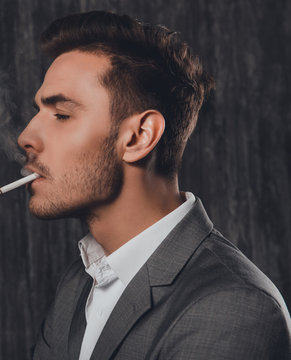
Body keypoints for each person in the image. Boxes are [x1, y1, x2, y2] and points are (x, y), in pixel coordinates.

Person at [16, 10, 291, 360]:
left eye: (61, 115)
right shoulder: (79, 281)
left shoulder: (232, 308)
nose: (26, 136)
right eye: (38, 111)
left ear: (138, 137)